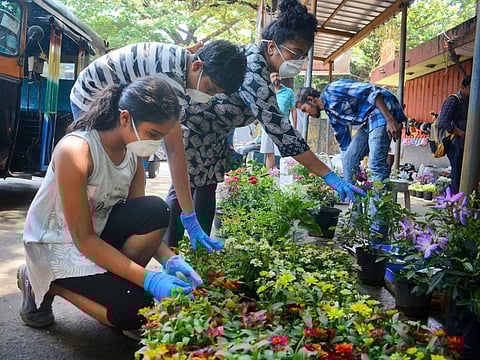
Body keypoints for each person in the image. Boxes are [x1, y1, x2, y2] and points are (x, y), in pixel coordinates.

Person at [164, 0, 365, 248]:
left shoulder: (258, 61)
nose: (299, 61)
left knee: (206, 190)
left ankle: (200, 255)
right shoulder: (253, 71)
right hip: (193, 132)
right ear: (272, 47)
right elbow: (282, 132)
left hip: (214, 138)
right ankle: (170, 255)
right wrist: (329, 175)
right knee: (183, 191)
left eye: (303, 56)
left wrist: (225, 141)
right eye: (295, 53)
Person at [18, 77, 202, 338]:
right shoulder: (76, 151)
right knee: (136, 310)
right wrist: (149, 280)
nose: (155, 144)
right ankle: (46, 283)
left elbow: (140, 217)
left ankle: (111, 287)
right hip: (58, 246)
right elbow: (83, 239)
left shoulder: (133, 156)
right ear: (125, 118)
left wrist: (168, 259)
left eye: (160, 138)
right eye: (153, 135)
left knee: (156, 209)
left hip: (97, 237)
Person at [70, 40, 247, 253]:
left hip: (120, 99)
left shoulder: (183, 64)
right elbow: (174, 150)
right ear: (197, 67)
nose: (208, 96)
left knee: (128, 175)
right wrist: (189, 216)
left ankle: (113, 241)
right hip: (91, 96)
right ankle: (86, 242)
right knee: (100, 177)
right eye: (209, 89)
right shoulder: (170, 78)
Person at [295, 80, 406, 184]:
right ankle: (353, 201)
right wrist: (346, 165)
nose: (307, 114)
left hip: (383, 111)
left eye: (304, 109)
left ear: (311, 99)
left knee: (375, 164)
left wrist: (390, 120)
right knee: (348, 161)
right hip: (369, 120)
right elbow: (345, 145)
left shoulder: (333, 89)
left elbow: (372, 92)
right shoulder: (332, 115)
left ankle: (378, 204)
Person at [437, 75, 471, 193]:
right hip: (455, 143)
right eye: (470, 88)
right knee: (457, 175)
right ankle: (453, 201)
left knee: (464, 175)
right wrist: (461, 133)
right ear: (462, 87)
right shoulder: (453, 100)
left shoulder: (469, 102)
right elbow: (443, 121)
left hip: (466, 144)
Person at [260, 72, 297, 169]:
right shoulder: (266, 91)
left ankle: (283, 177)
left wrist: (294, 127)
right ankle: (271, 178)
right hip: (267, 125)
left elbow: (293, 110)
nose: (276, 78)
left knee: (284, 153)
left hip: (283, 126)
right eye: (273, 76)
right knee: (269, 152)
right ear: (269, 79)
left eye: (277, 75)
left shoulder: (288, 92)